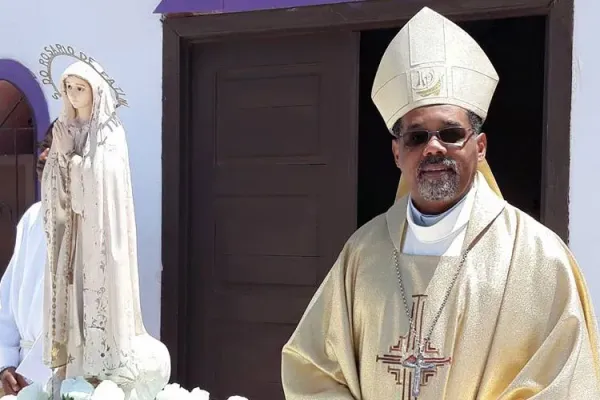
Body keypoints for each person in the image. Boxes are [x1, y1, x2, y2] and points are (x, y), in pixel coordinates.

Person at [281, 7, 600, 399]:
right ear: (397, 153)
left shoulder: (538, 258)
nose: (434, 148)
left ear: (479, 147)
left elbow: (563, 385)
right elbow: (311, 367)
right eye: (417, 137)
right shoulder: (363, 254)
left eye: (450, 133)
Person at [41, 61, 170, 399]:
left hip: (99, 236)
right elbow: (54, 184)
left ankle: (104, 368)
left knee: (97, 292)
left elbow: (106, 180)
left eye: (79, 88)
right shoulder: (64, 128)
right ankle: (74, 366)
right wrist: (62, 158)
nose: (73, 94)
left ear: (95, 90)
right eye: (68, 88)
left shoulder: (110, 131)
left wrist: (77, 162)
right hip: (74, 235)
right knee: (72, 291)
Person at [0, 122, 55, 395]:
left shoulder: (95, 224)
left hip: (66, 372)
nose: (44, 156)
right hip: (20, 374)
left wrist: (35, 372)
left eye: (55, 149)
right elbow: (7, 297)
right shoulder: (33, 217)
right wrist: (6, 363)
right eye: (44, 146)